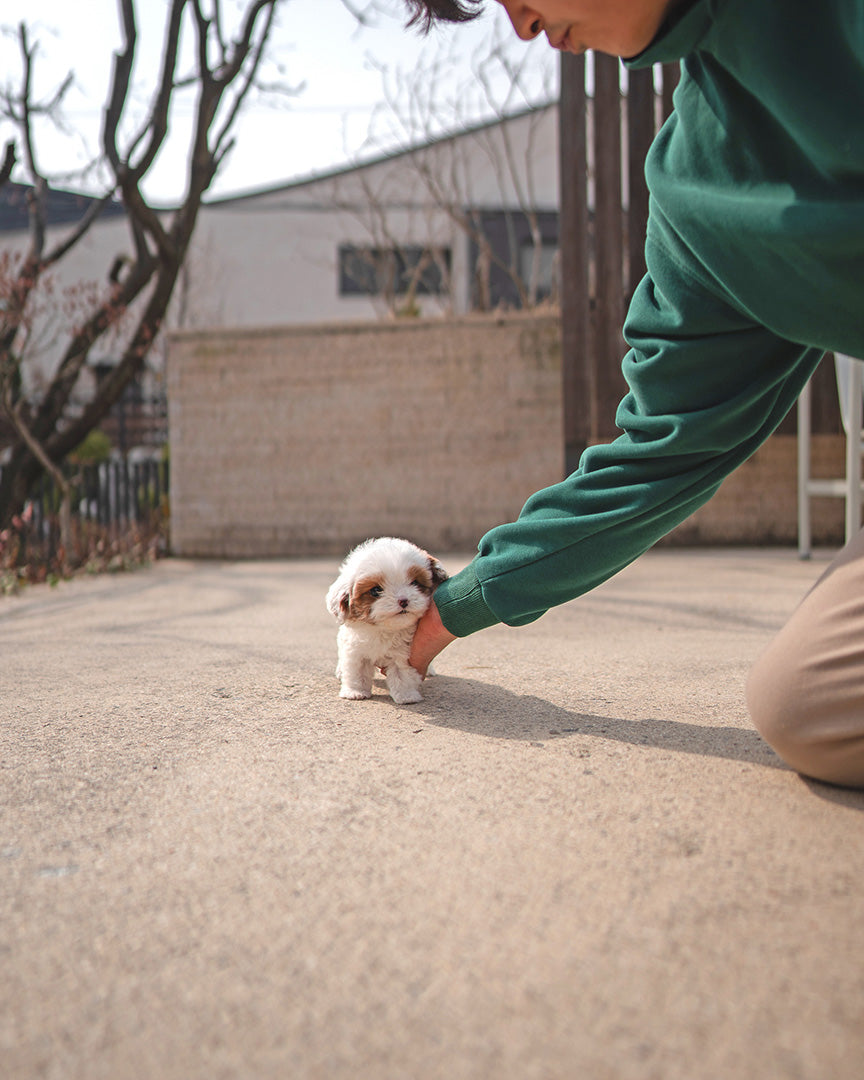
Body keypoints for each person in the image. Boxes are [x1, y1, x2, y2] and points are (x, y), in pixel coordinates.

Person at [402, 0, 864, 789]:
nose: (520, 28)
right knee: (805, 703)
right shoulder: (697, 192)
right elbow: (662, 449)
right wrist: (454, 604)